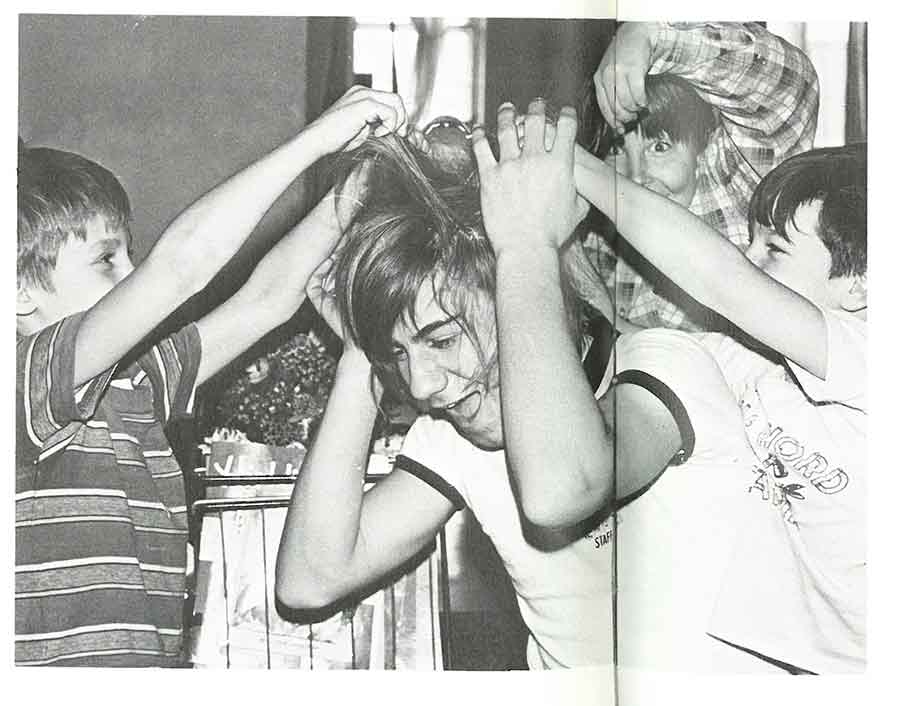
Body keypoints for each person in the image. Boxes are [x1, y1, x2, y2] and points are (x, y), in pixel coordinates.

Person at [274, 99, 781, 673]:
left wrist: (524, 247)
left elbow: (560, 490)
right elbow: (311, 580)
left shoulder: (663, 368)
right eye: (400, 356)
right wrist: (359, 354)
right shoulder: (458, 429)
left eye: (441, 340)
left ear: (513, 289)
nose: (422, 385)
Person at [15, 85, 408, 667]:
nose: (130, 273)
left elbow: (268, 298)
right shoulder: (25, 379)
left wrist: (352, 194)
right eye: (107, 259)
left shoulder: (137, 384)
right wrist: (318, 139)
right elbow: (181, 268)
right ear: (19, 290)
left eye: (129, 255)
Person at [574, 141, 867, 673]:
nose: (749, 259)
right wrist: (557, 247)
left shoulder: (876, 359)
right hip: (801, 663)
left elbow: (724, 280)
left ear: (861, 284)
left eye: (773, 251)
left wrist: (577, 168)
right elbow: (638, 344)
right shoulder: (756, 361)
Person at [584, 21, 819, 331]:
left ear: (702, 146)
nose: (636, 177)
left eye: (660, 146)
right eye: (615, 149)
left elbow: (791, 85)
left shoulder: (733, 185)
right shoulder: (600, 238)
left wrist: (648, 37)